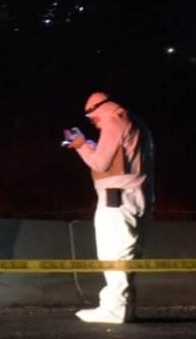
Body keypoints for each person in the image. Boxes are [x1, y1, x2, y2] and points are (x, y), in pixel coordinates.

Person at [65, 92, 154, 324]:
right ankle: (123, 307)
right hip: (133, 197)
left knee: (113, 253)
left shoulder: (113, 120)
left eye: (92, 118)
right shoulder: (130, 120)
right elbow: (117, 157)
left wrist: (81, 146)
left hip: (118, 200)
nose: (93, 123)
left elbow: (101, 163)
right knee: (125, 255)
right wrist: (90, 144)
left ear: (96, 110)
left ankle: (116, 310)